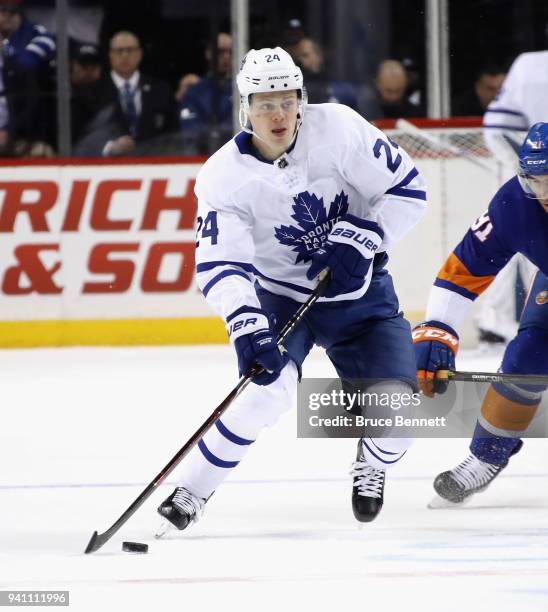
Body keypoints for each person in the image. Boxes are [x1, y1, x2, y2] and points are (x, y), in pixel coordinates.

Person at [156, 46, 427, 533]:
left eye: (286, 100)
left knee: (400, 417)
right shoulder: (222, 176)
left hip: (361, 297)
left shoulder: (340, 129)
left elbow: (408, 190)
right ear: (246, 108)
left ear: (302, 99)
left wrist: (365, 236)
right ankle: (192, 491)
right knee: (265, 393)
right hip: (282, 299)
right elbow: (222, 263)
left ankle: (372, 460)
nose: (277, 114)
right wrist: (246, 326)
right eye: (264, 103)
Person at [413, 122, 548, 506]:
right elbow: (463, 271)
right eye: (537, 181)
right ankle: (485, 457)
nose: (545, 193)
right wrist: (437, 328)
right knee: (527, 356)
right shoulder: (513, 206)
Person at [477, 51, 545, 346]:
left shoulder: (527, 62)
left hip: (530, 155)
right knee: (519, 233)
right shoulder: (531, 64)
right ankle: (495, 320)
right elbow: (499, 125)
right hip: (528, 156)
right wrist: (532, 169)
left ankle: (496, 320)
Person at [72, 30, 178, 157]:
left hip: (155, 166)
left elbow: (173, 132)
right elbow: (79, 136)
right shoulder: (89, 92)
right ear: (110, 55)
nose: (125, 55)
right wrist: (108, 148)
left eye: (130, 50)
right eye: (119, 51)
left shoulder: (160, 90)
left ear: (140, 54)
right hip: (108, 168)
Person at [0, 0, 56, 156]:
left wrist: (6, 49)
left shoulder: (37, 33)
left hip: (22, 132)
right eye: (3, 10)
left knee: (40, 152)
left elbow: (27, 63)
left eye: (13, 11)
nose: (7, 16)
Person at [178, 32, 233, 154]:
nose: (226, 57)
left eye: (231, 52)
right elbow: (190, 132)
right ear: (208, 53)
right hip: (202, 159)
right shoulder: (194, 92)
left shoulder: (245, 90)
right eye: (220, 52)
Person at [290, 37, 358, 109]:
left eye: (305, 55)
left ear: (318, 56)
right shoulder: (296, 89)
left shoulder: (341, 88)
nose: (300, 60)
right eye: (297, 57)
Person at [359, 59, 424, 121]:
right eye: (388, 91)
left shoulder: (417, 115)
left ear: (405, 84)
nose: (394, 97)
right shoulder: (364, 113)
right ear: (378, 84)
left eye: (398, 91)